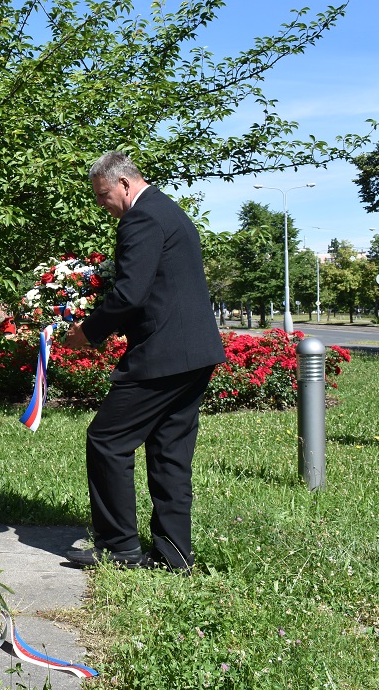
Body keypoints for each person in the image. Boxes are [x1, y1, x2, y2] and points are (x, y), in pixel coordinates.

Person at [63, 150, 226, 572]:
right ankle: (175, 553)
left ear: (124, 183)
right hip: (194, 353)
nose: (103, 205)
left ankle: (119, 547)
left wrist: (88, 332)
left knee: (107, 440)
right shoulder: (169, 210)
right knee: (170, 450)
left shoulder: (141, 218)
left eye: (103, 196)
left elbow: (131, 293)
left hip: (163, 355)